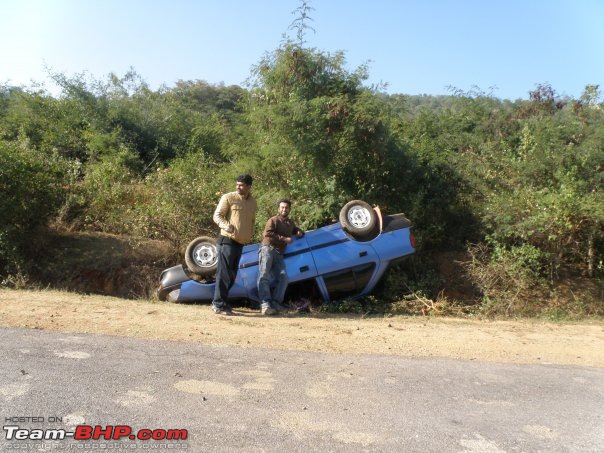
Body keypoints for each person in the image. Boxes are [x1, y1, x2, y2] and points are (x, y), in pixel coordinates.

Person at [211, 174, 257, 315]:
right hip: (227, 240)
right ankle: (218, 304)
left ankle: (221, 302)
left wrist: (249, 234)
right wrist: (226, 226)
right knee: (224, 274)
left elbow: (252, 221)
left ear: (249, 187)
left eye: (241, 185)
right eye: (237, 184)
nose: (238, 187)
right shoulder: (228, 197)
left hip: (240, 243)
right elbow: (217, 215)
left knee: (232, 276)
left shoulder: (253, 202)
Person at [257, 198, 304, 315]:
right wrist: (284, 239)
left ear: (289, 209)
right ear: (278, 209)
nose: (284, 209)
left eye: (286, 208)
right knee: (264, 275)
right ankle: (265, 304)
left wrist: (299, 231)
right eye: (282, 207)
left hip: (279, 253)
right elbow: (267, 234)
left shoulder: (290, 223)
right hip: (268, 249)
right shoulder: (273, 220)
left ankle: (276, 303)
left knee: (283, 278)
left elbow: (295, 230)